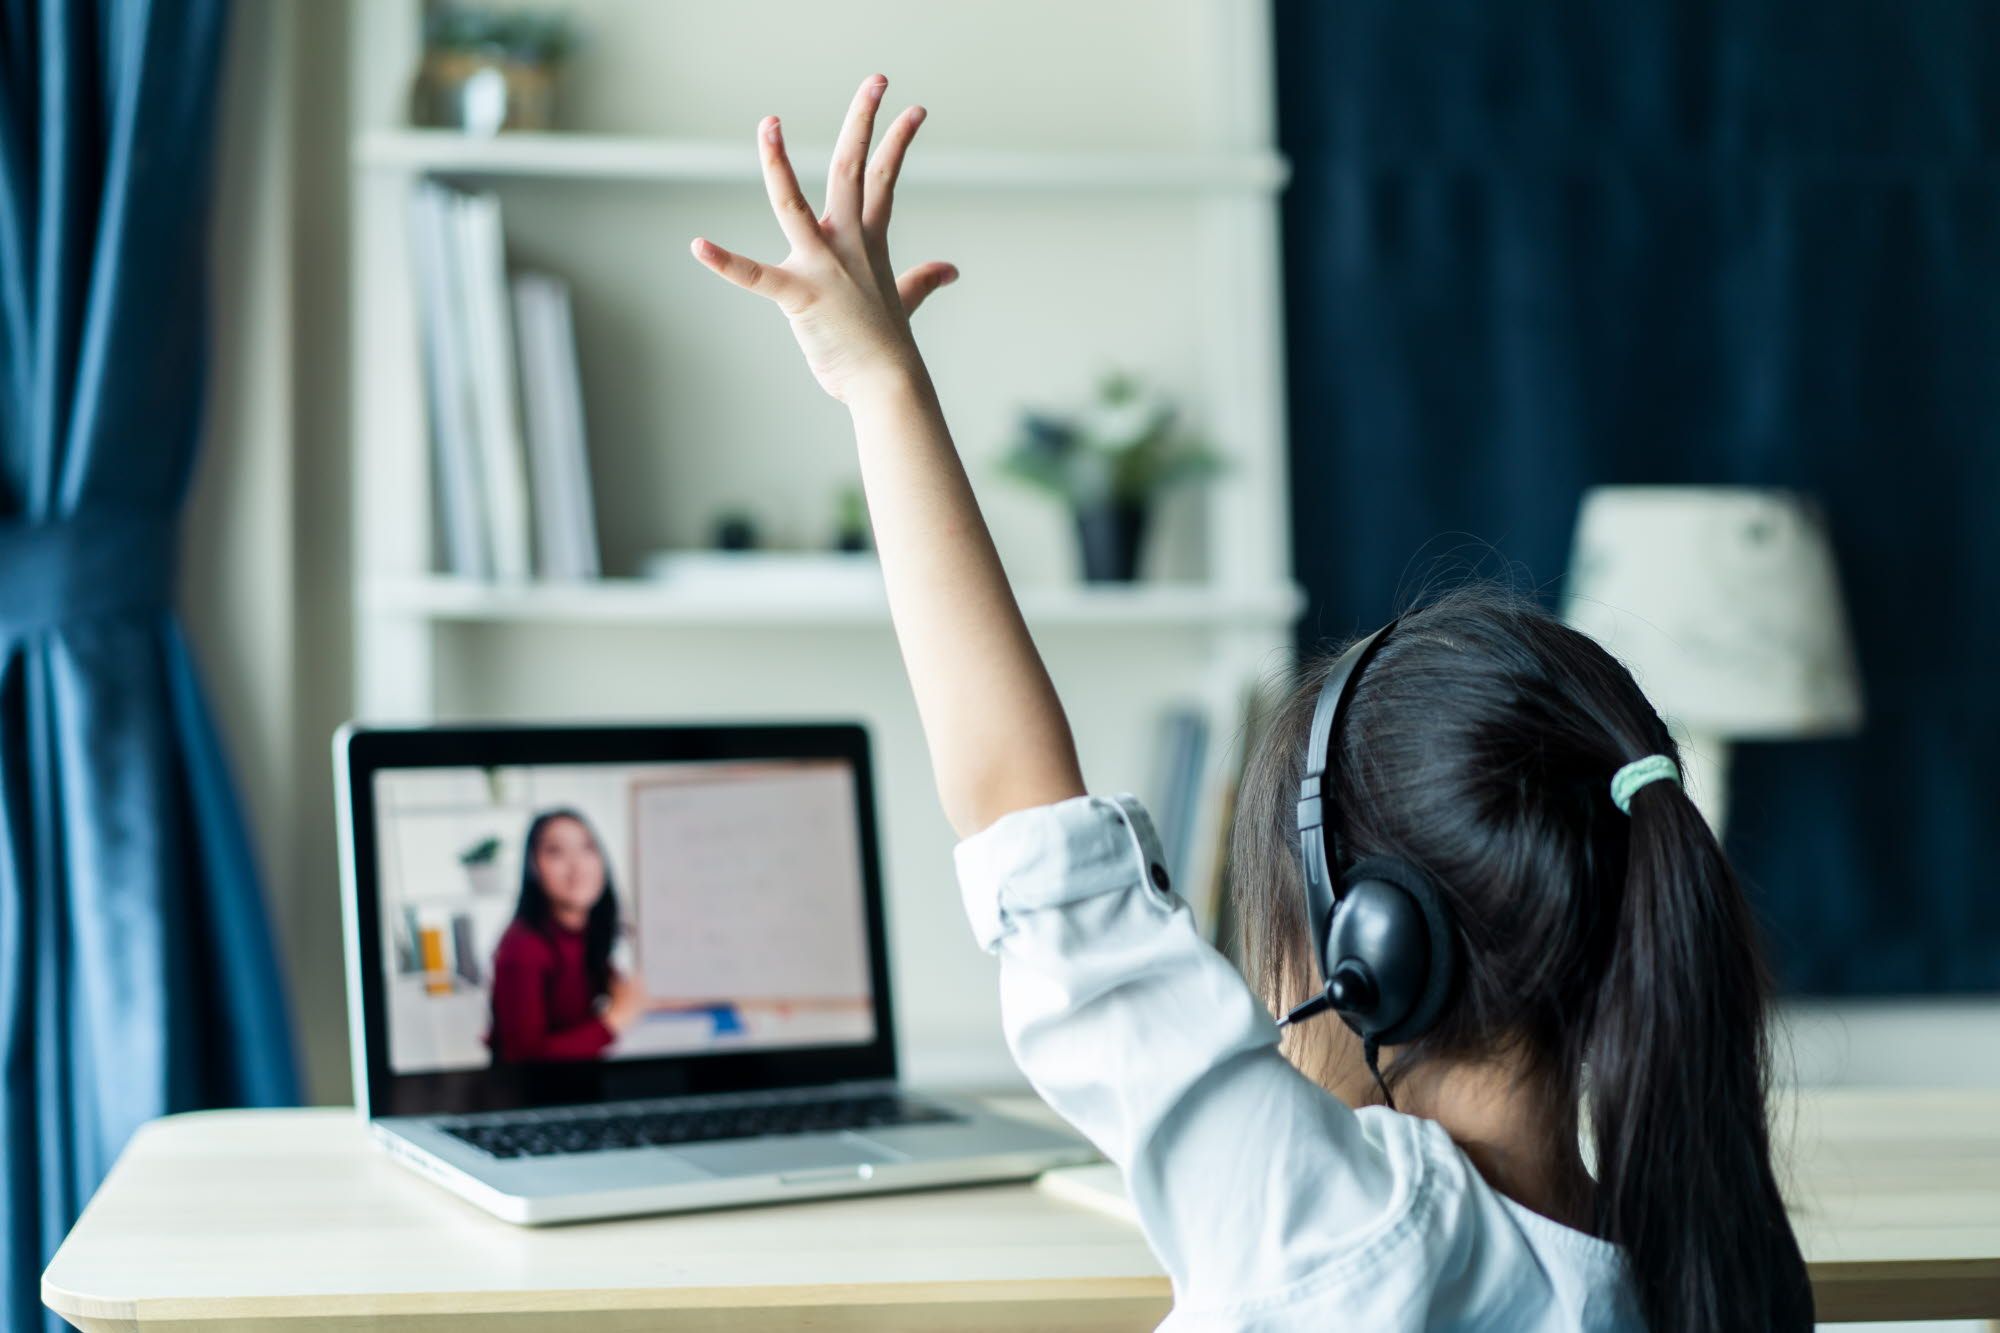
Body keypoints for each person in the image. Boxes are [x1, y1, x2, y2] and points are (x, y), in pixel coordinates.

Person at [689, 76, 1813, 1331]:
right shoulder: (1693, 1267)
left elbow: (1024, 816)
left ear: (1368, 955)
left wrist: (879, 388)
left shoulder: (1344, 1223)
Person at [487, 809, 646, 1063]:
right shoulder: (522, 947)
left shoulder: (587, 930)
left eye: (587, 848)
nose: (577, 865)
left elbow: (623, 993)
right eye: (555, 851)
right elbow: (526, 1062)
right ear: (533, 867)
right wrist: (615, 1020)